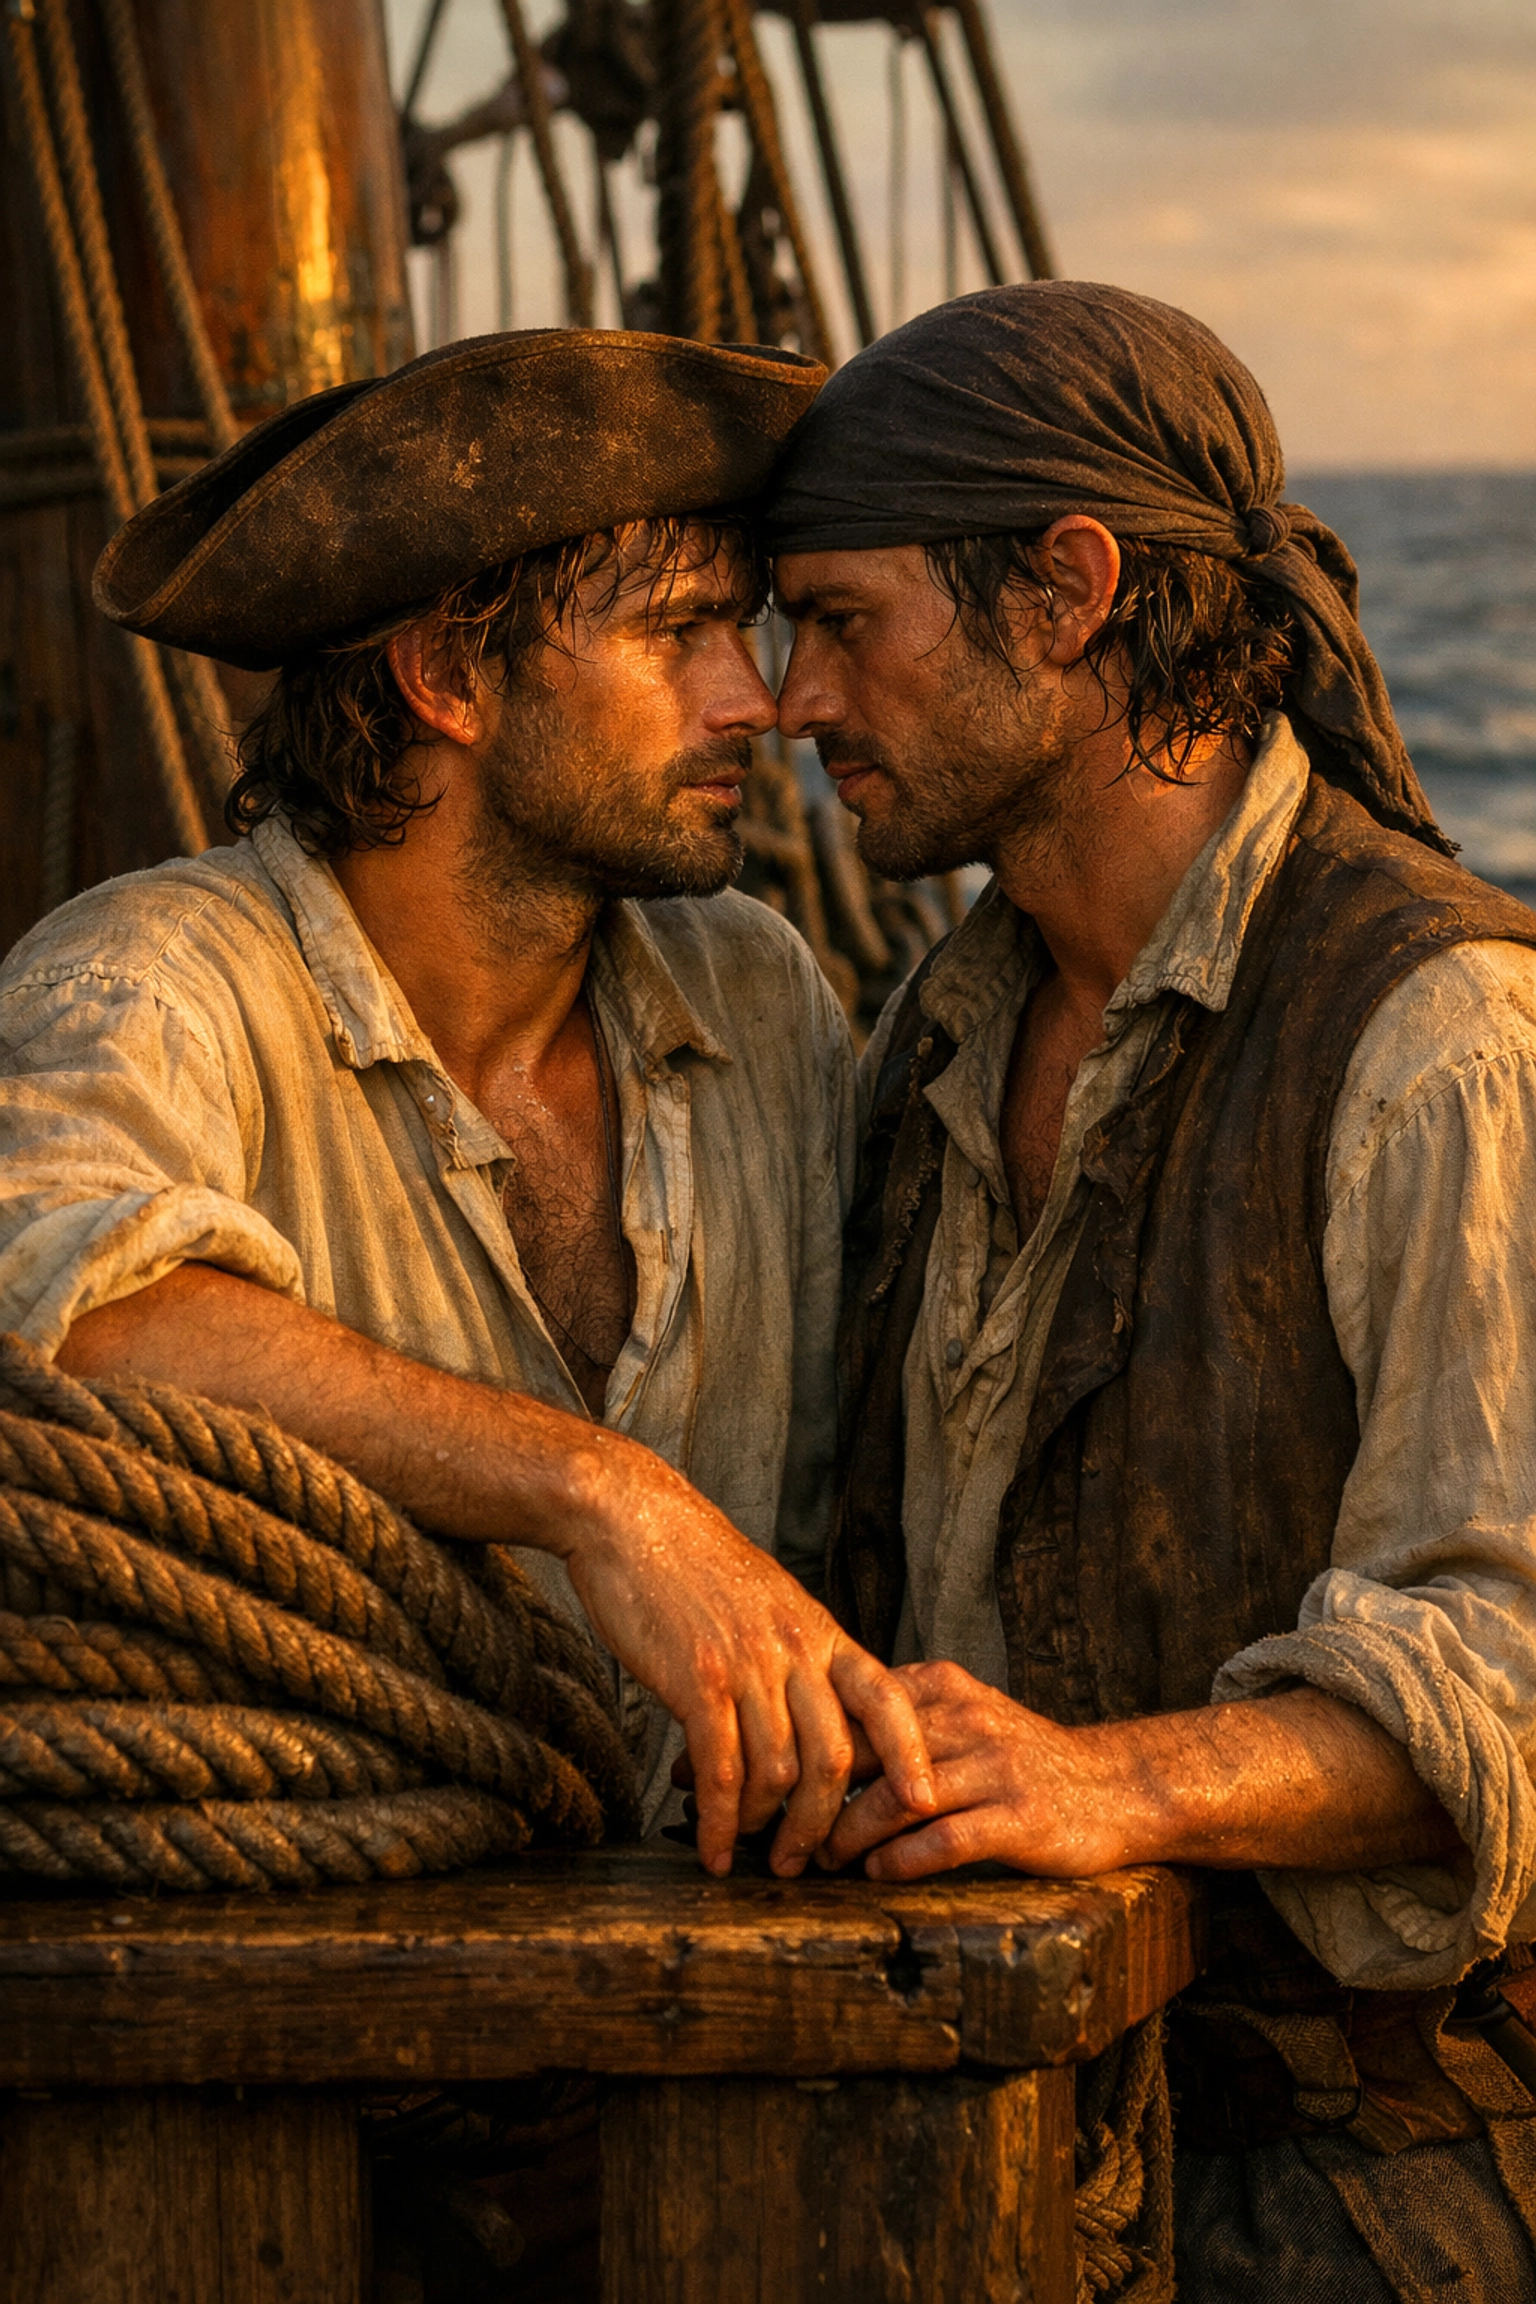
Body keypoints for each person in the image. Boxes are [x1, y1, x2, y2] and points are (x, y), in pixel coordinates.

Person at [766, 282, 1536, 2298]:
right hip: (970, 2114)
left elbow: (1518, 1663)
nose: (792, 696)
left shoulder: (1434, 1027)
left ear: (1069, 592)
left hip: (1359, 2181)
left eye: (845, 621)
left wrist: (1107, 1778)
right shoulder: (930, 1034)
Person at [0, 326, 936, 1875]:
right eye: (678, 634)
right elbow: (73, 1313)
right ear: (446, 676)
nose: (751, 702)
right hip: (307, 1994)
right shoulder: (149, 987)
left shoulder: (757, 993)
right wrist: (603, 1498)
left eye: (747, 631)